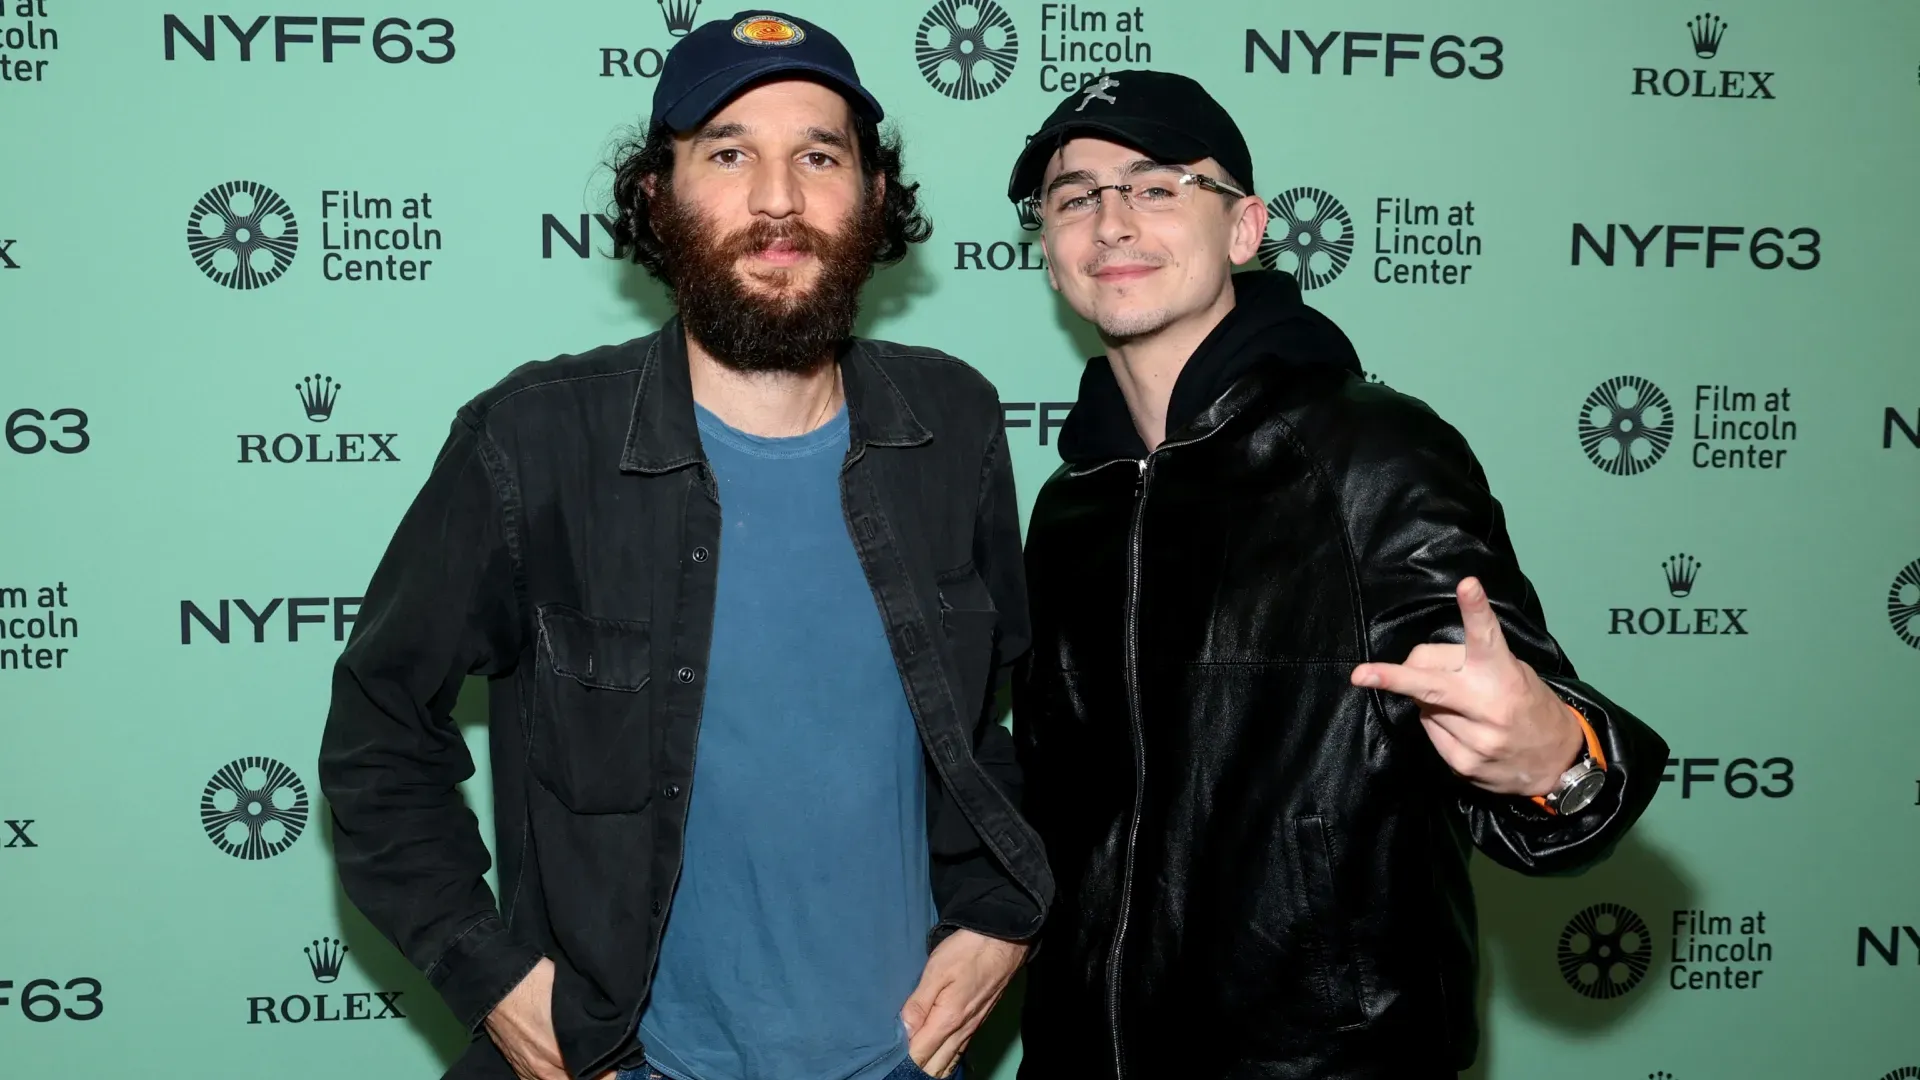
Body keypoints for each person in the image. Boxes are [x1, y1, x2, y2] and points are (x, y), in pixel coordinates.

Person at [318, 12, 1049, 1080]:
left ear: (875, 196)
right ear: (656, 197)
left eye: (818, 154)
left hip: (896, 1063)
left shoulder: (954, 425)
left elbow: (985, 723)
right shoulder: (536, 441)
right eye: (727, 153)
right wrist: (496, 979)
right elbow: (378, 732)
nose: (777, 198)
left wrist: (1000, 917)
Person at [1002, 70, 1669, 1079]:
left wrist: (1553, 763)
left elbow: (1559, 763)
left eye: (1157, 184)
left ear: (1244, 228)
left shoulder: (1368, 453)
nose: (1110, 219)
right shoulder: (1070, 507)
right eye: (1074, 195)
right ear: (1050, 253)